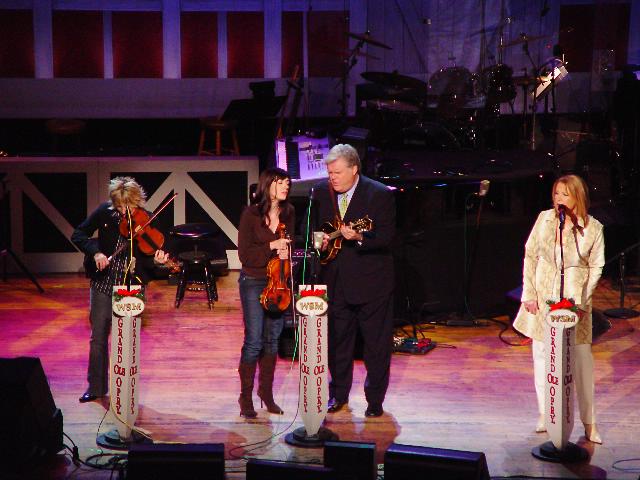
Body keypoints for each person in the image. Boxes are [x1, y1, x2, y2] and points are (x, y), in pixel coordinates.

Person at [513, 174, 605, 443]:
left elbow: (596, 266)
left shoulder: (593, 228)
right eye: (556, 194)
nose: (559, 199)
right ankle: (546, 413)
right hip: (544, 297)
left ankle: (589, 423)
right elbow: (530, 256)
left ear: (578, 197)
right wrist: (529, 293)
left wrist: (583, 302)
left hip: (576, 303)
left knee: (581, 361)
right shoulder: (545, 220)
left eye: (565, 194)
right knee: (543, 355)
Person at [314, 144, 396, 417]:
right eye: (329, 173)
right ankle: (338, 395)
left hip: (373, 285)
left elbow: (387, 237)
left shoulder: (379, 194)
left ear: (354, 169)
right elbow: (309, 229)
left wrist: (360, 237)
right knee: (337, 344)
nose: (332, 178)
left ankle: (375, 401)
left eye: (337, 173)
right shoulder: (321, 193)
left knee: (376, 346)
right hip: (336, 283)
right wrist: (320, 241)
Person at [71, 177, 168, 403]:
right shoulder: (104, 213)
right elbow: (79, 234)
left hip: (130, 286)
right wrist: (95, 252)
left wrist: (158, 262)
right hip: (103, 283)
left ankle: (124, 389)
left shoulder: (147, 219)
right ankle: (96, 387)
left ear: (137, 201)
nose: (125, 212)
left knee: (127, 340)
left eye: (129, 207)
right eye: (120, 207)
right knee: (98, 337)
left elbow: (150, 261)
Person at [237, 167, 294, 418]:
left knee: (272, 339)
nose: (286, 187)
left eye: (287, 183)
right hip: (253, 280)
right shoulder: (250, 214)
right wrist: (272, 245)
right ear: (268, 184)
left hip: (278, 281)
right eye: (281, 182)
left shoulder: (289, 213)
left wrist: (286, 253)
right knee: (254, 341)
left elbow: (290, 244)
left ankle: (266, 393)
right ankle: (245, 397)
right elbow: (245, 255)